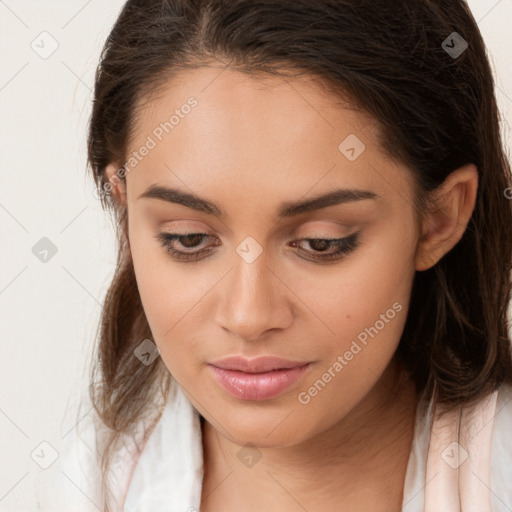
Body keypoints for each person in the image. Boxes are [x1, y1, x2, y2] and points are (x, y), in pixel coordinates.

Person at [35, 0, 512, 511]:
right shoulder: (94, 480)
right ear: (125, 206)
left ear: (439, 218)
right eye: (188, 238)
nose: (248, 317)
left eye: (321, 243)